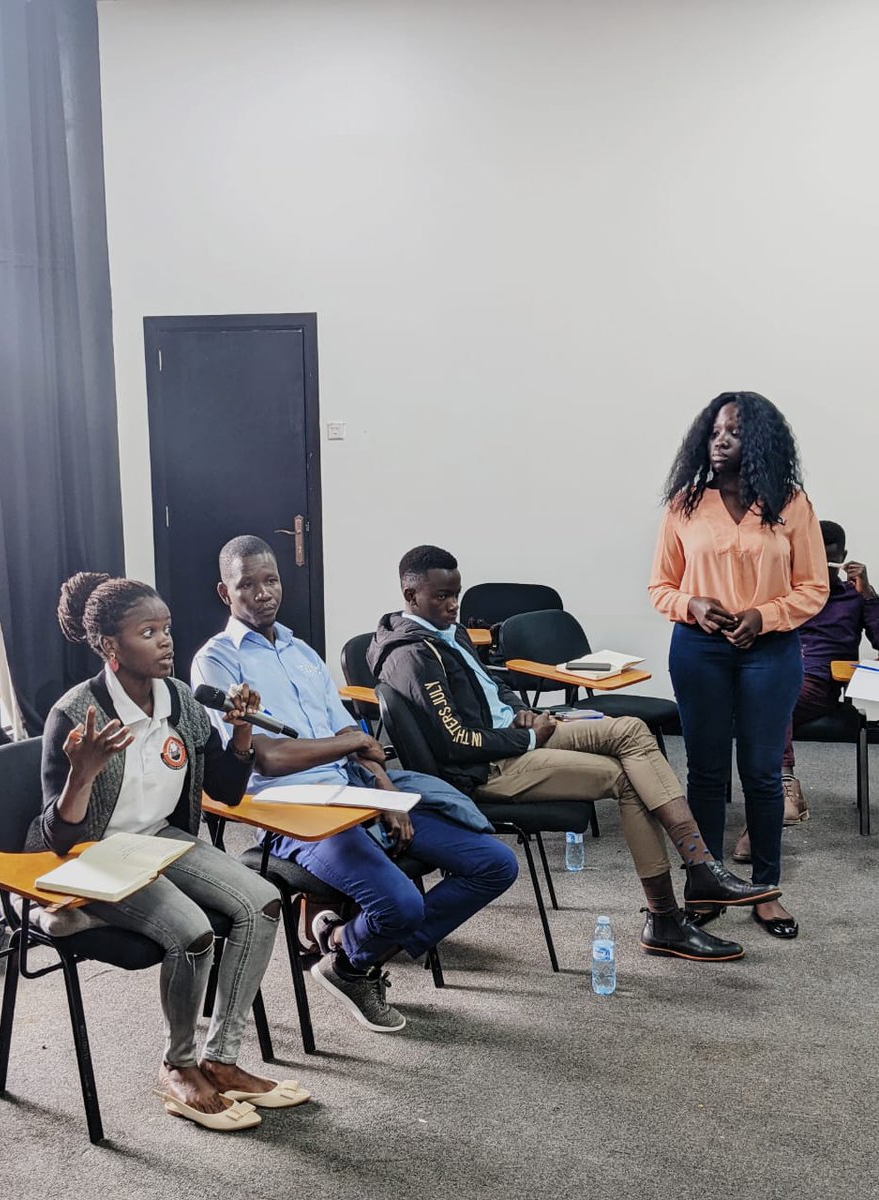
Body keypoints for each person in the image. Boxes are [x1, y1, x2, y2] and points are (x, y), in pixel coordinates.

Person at [367, 545, 778, 964]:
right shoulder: (411, 655)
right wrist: (527, 739)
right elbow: (453, 742)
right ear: (410, 594)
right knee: (626, 779)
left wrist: (520, 711)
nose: (453, 605)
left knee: (632, 731)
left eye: (457, 593)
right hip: (485, 768)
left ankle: (700, 868)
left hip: (513, 734)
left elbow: (492, 684)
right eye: (441, 596)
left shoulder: (448, 631)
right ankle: (667, 917)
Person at [191, 536, 518, 1035]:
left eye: (271, 580)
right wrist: (349, 750)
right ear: (224, 592)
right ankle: (354, 962)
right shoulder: (216, 660)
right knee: (403, 905)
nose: (263, 593)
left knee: (494, 864)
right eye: (247, 585)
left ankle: (347, 949)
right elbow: (270, 757)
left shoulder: (301, 651)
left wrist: (386, 792)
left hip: (354, 790)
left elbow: (352, 735)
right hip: (293, 814)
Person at [27, 572, 310, 1132]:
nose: (165, 641)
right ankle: (177, 1066)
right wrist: (80, 776)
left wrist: (241, 734)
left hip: (161, 839)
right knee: (193, 931)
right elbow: (55, 839)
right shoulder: (76, 712)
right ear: (110, 646)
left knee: (263, 901)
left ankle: (221, 1059)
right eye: (148, 631)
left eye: (167, 629)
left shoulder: (180, 699)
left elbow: (225, 792)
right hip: (99, 854)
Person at [650, 391, 829, 940]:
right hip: (698, 648)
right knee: (704, 772)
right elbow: (660, 587)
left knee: (761, 772)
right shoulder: (684, 503)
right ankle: (706, 883)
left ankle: (767, 890)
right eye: (714, 432)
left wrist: (765, 615)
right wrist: (692, 605)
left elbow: (814, 587)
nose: (721, 440)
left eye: (734, 431)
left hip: (769, 651)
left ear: (760, 442)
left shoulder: (790, 502)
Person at [733, 520, 879, 861]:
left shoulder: (855, 597)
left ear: (843, 558)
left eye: (830, 561)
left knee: (768, 706)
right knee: (762, 702)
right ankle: (769, 811)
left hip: (819, 684)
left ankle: (779, 792)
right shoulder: (789, 593)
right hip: (774, 676)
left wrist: (869, 594)